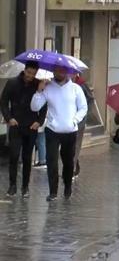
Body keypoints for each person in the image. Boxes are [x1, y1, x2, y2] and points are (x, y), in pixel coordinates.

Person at [31, 66, 88, 201]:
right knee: (51, 161)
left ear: (67, 72)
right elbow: (35, 107)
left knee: (68, 162)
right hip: (52, 130)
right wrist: (39, 91)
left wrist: (75, 120)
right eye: (56, 71)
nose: (59, 73)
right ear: (53, 72)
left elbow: (83, 108)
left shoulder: (75, 89)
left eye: (62, 71)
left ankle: (67, 186)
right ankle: (53, 191)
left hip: (70, 130)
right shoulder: (48, 88)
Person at [1, 61, 45, 197]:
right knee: (14, 156)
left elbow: (44, 104)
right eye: (28, 72)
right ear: (24, 70)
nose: (30, 76)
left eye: (33, 74)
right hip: (15, 125)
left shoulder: (38, 85)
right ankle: (12, 185)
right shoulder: (13, 83)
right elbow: (3, 101)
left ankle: (25, 187)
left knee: (27, 158)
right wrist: (9, 118)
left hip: (31, 126)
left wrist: (39, 121)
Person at [72, 73, 95, 177]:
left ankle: (71, 168)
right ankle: (74, 164)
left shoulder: (81, 84)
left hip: (79, 120)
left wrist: (85, 114)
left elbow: (90, 99)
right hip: (66, 119)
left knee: (76, 144)